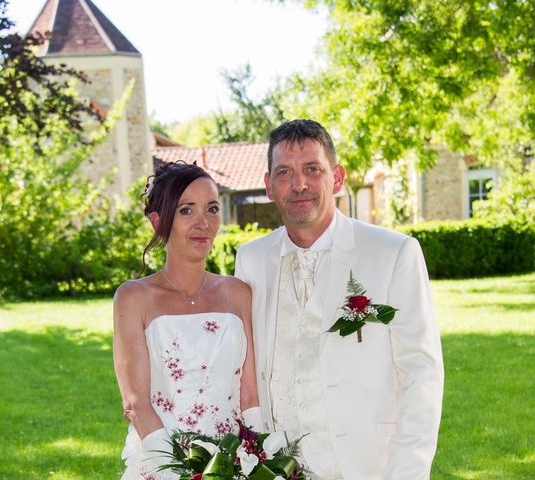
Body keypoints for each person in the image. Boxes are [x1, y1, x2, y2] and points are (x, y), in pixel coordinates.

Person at [235, 119, 444, 480]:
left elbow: (421, 374)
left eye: (312, 169)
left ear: (338, 178)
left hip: (369, 467)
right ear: (269, 186)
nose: (298, 184)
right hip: (279, 470)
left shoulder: (393, 253)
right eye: (284, 172)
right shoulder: (250, 260)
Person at [113, 161, 261, 480]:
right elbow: (136, 402)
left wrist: (261, 461)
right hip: (162, 463)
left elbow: (250, 396)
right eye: (186, 211)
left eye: (211, 209)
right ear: (158, 222)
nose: (203, 223)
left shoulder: (238, 293)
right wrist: (180, 474)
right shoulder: (133, 297)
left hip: (234, 464)